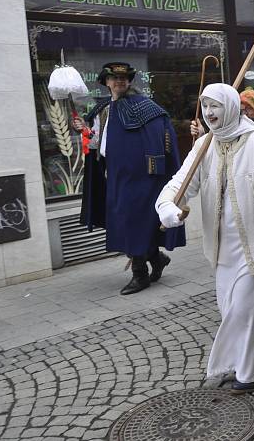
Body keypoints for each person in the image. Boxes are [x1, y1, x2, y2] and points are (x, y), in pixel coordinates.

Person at [155, 83, 254, 392]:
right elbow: (181, 183)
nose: (209, 113)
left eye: (215, 105)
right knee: (236, 305)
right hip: (220, 249)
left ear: (231, 107)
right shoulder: (204, 145)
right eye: (205, 106)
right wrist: (166, 205)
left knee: (243, 309)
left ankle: (251, 371)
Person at [73, 62, 185, 295]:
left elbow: (161, 137)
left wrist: (156, 169)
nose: (119, 81)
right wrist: (83, 130)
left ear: (129, 81)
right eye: (114, 78)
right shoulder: (103, 108)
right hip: (114, 176)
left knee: (133, 223)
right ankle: (157, 258)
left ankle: (139, 275)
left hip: (142, 178)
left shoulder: (146, 107)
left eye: (124, 78)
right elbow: (96, 142)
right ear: (106, 82)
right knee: (128, 223)